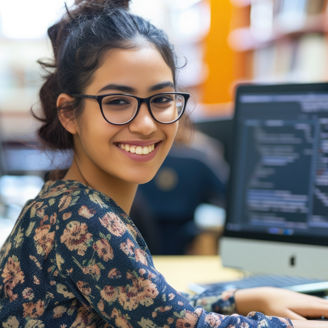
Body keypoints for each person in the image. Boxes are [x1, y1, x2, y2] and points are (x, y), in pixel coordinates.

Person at [0, 1, 327, 327]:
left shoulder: (64, 200)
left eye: (161, 99)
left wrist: (244, 298)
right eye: (117, 101)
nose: (145, 124)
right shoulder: (85, 223)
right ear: (70, 113)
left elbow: (145, 304)